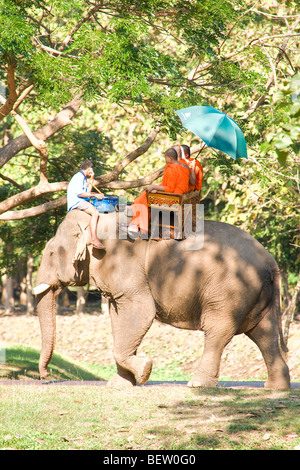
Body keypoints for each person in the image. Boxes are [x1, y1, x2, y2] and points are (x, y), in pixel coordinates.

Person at [125, 148, 190, 235]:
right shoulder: (184, 168)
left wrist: (153, 186)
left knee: (146, 197)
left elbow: (170, 188)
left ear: (170, 158)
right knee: (147, 194)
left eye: (165, 158)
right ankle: (136, 222)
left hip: (172, 199)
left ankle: (136, 222)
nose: (165, 160)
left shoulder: (171, 169)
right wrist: (156, 188)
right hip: (179, 197)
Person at [67, 159, 105, 249]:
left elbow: (87, 192)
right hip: (77, 201)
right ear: (89, 169)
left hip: (81, 200)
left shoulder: (83, 177)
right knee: (95, 212)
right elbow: (80, 194)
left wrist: (91, 179)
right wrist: (95, 194)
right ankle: (94, 238)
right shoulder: (78, 177)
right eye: (91, 170)